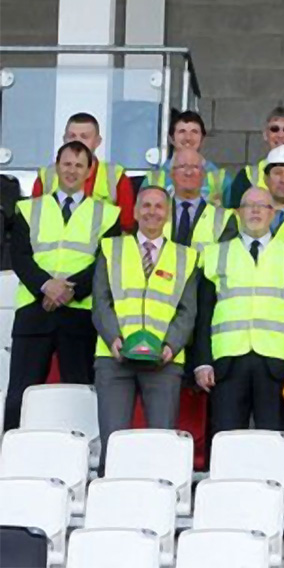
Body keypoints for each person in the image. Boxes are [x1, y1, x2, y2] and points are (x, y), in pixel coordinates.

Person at [4, 142, 122, 429]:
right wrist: (46, 285)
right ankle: (8, 451)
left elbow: (105, 261)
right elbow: (19, 256)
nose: (72, 171)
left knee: (80, 393)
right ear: (56, 166)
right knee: (20, 393)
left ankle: (81, 458)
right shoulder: (28, 208)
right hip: (35, 310)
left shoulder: (106, 213)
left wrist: (69, 290)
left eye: (79, 165)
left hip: (79, 313)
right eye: (67, 164)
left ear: (89, 171)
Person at [191, 187, 284, 434]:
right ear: (238, 212)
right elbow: (203, 314)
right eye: (249, 205)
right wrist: (202, 362)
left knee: (274, 438)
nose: (255, 211)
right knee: (226, 437)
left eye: (262, 206)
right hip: (227, 361)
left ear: (273, 214)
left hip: (278, 361)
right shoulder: (215, 253)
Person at [92, 186, 199, 463]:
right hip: (114, 357)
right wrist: (113, 338)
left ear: (168, 214)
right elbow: (101, 301)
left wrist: (171, 347)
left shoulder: (186, 257)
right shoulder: (111, 248)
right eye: (146, 206)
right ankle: (110, 499)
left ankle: (157, 498)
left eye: (159, 206)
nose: (152, 212)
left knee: (161, 444)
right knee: (113, 443)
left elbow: (187, 311)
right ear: (136, 211)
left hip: (164, 361)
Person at [34, 112, 135, 232]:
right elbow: (31, 224)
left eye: (84, 136)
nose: (77, 141)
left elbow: (126, 228)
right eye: (72, 136)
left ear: (98, 141)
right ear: (64, 139)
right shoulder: (46, 177)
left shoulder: (116, 177)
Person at [142, 110, 232, 207]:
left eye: (194, 132)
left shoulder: (220, 179)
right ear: (171, 138)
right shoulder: (153, 179)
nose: (188, 138)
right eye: (182, 131)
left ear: (202, 138)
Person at [160, 150, 238, 248]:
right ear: (172, 174)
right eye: (182, 167)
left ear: (203, 174)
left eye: (195, 167)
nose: (188, 173)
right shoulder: (156, 213)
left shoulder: (223, 218)